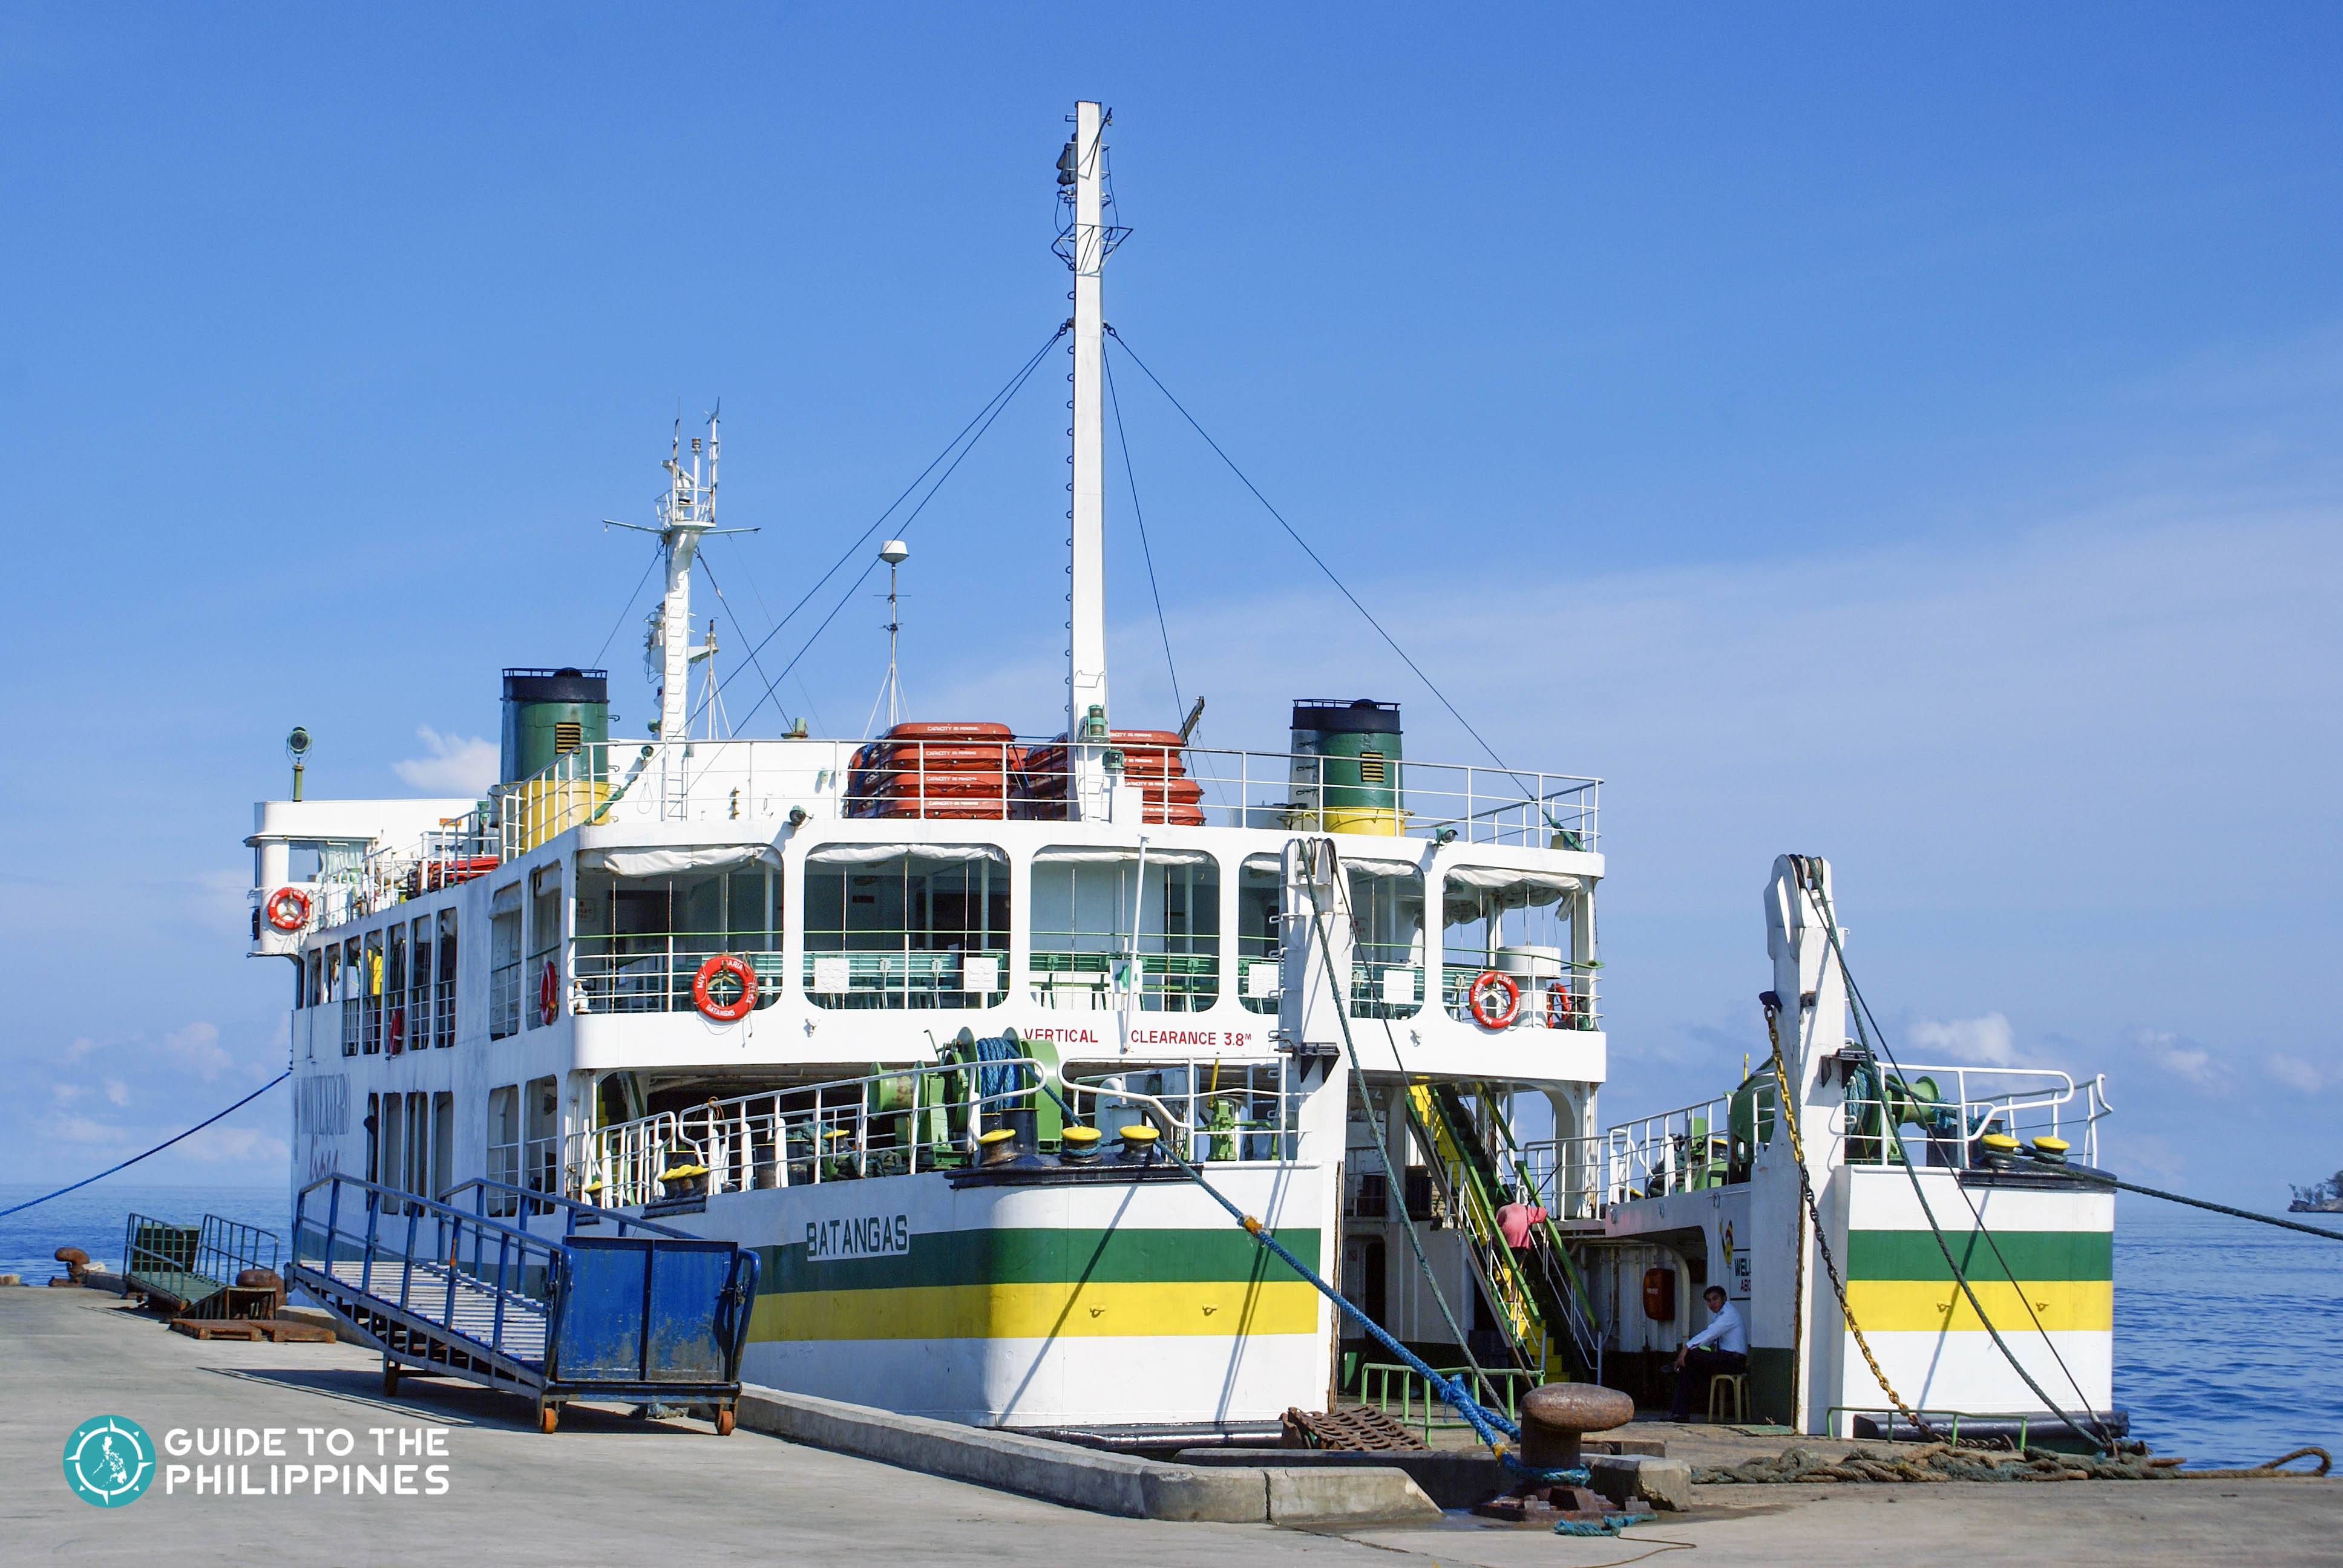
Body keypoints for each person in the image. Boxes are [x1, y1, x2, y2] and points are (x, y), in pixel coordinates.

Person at [1670, 1285, 1747, 1421]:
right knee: (1688, 1367)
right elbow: (1708, 1341)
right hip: (1725, 1358)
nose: (1712, 1303)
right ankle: (1680, 1413)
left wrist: (1686, 1349)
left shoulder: (1730, 1315)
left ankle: (1680, 1412)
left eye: (1715, 1299)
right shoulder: (1719, 1315)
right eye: (1709, 1301)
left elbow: (1710, 1334)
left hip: (1734, 1361)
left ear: (1724, 1299)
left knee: (1690, 1358)